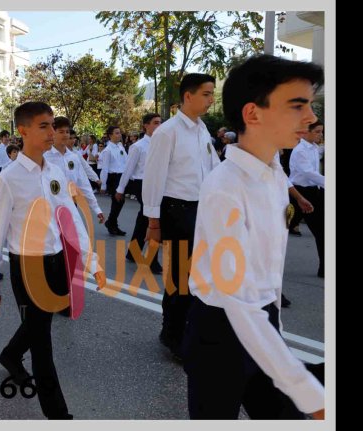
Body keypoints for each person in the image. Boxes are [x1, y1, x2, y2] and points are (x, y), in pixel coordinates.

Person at [183, 54, 325, 420]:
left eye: (310, 106)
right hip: (222, 333)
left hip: (263, 324)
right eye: (297, 105)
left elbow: (266, 270)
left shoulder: (274, 175)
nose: (310, 118)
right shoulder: (225, 187)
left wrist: (275, 322)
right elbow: (236, 298)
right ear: (253, 113)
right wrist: (309, 392)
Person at [0, 102, 106, 420]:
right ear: (23, 131)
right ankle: (58, 416)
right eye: (44, 126)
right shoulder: (8, 179)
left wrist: (91, 261)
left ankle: (11, 355)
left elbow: (71, 218)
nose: (52, 132)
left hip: (56, 261)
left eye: (53, 125)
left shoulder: (55, 171)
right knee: (42, 344)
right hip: (27, 267)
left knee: (40, 323)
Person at [142, 73, 221, 359]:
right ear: (188, 96)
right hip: (176, 210)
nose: (211, 100)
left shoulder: (202, 130)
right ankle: (172, 335)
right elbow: (154, 177)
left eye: (212, 94)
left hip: (201, 209)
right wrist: (153, 222)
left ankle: (183, 329)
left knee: (197, 275)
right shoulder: (168, 132)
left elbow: (214, 168)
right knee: (179, 277)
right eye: (206, 94)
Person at [115, 113, 164, 273]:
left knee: (144, 219)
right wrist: (120, 189)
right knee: (153, 218)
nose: (159, 125)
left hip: (158, 184)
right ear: (146, 126)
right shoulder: (138, 146)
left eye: (160, 122)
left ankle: (133, 252)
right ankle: (152, 260)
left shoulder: (163, 143)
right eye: (155, 122)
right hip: (142, 184)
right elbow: (128, 169)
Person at [289, 120, 325, 277]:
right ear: (305, 132)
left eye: (321, 131)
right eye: (317, 131)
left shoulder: (315, 148)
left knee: (322, 231)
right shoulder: (300, 151)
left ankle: (324, 268)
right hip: (298, 193)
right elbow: (309, 173)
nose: (320, 134)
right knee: (279, 229)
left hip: (314, 192)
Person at [99, 126, 128, 236]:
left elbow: (126, 161)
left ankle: (111, 223)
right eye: (116, 133)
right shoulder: (107, 150)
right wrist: (103, 185)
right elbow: (105, 168)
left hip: (121, 177)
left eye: (119, 133)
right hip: (113, 177)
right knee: (118, 201)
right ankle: (112, 224)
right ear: (110, 135)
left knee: (119, 202)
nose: (119, 135)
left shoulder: (120, 147)